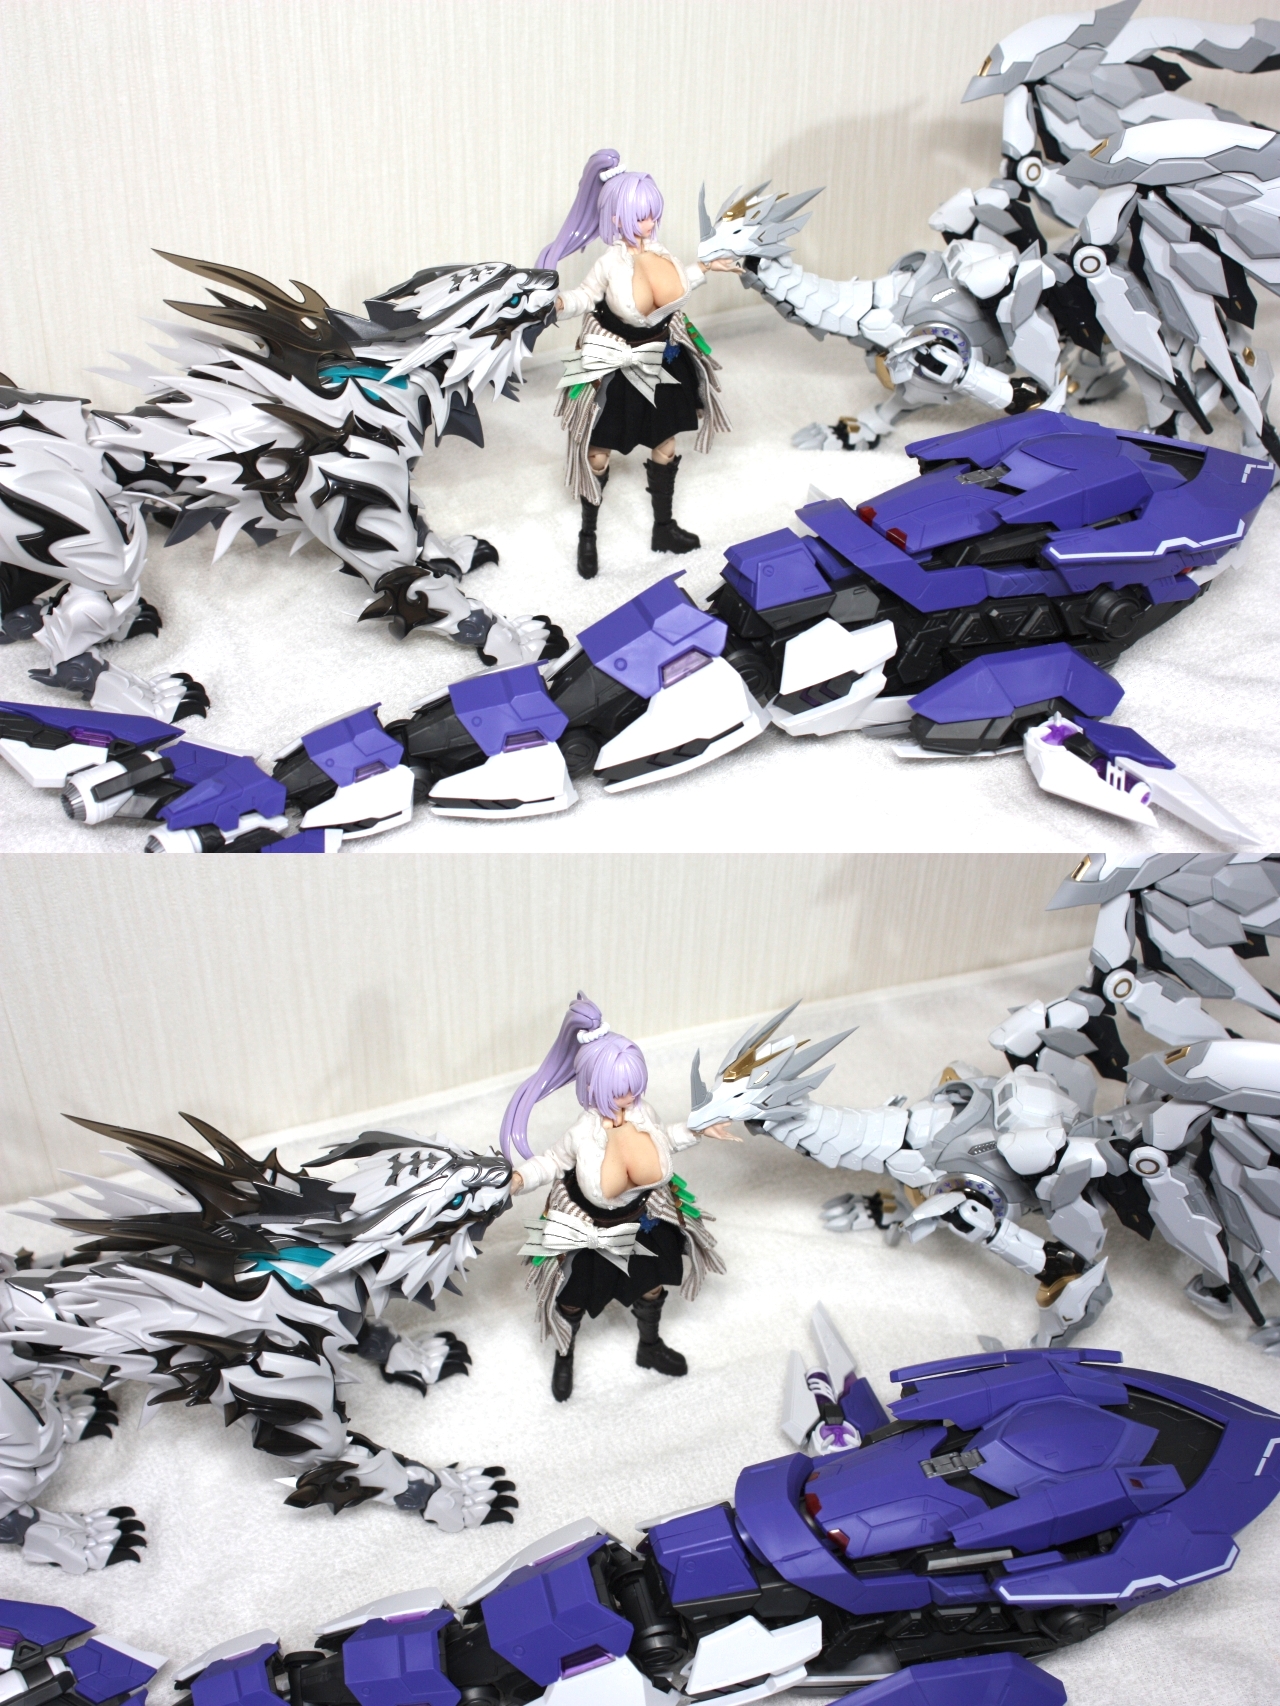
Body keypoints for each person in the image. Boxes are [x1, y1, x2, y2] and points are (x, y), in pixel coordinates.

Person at [500, 993, 737, 1400]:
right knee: (571, 1302)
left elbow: (665, 1140)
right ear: (594, 1086)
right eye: (619, 1090)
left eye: (633, 1088)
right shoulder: (582, 1132)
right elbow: (552, 1161)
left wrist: (698, 1129)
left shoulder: (644, 1114)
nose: (628, 1098)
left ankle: (649, 1346)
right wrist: (519, 1178)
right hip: (590, 1234)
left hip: (642, 1224)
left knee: (652, 1289)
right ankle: (564, 1354)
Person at [538, 149, 739, 579]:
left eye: (652, 215)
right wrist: (555, 304)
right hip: (614, 365)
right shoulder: (609, 263)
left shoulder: (659, 251)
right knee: (597, 454)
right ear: (617, 217)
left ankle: (663, 528)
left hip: (659, 360)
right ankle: (588, 535)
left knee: (665, 444)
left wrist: (706, 266)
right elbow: (584, 297)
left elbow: (675, 287)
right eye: (640, 216)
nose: (648, 224)